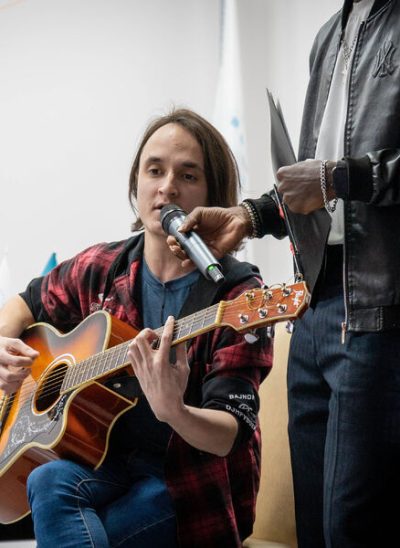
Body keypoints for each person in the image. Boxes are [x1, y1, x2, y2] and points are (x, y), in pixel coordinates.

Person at [169, 1, 400, 547]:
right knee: (312, 524)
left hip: (379, 313)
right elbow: (310, 187)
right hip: (310, 305)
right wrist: (249, 216)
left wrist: (338, 178)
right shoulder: (328, 35)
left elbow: (332, 179)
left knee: (351, 527)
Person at [0, 108, 272, 547]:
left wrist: (175, 411)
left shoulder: (237, 293)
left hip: (185, 482)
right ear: (136, 183)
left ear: (213, 194)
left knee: (85, 528)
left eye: (188, 175)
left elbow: (229, 433)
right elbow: (24, 303)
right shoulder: (102, 267)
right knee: (47, 479)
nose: (167, 187)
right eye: (155, 170)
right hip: (103, 463)